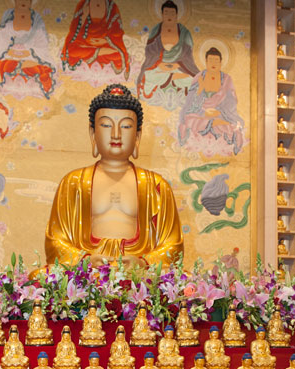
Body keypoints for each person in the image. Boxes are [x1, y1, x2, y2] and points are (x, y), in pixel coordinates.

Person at [44, 84, 183, 269]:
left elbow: (173, 245)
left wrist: (143, 262)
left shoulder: (156, 185)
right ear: (93, 134)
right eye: (106, 125)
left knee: (184, 279)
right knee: (39, 276)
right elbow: (55, 240)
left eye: (125, 126)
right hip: (88, 273)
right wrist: (84, 260)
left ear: (137, 136)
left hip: (137, 275)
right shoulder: (73, 183)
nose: (116, 134)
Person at [178, 46, 244, 155]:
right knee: (189, 119)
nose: (213, 63)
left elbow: (231, 102)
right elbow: (191, 101)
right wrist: (200, 90)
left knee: (233, 123)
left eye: (216, 60)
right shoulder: (199, 77)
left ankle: (215, 123)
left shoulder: (226, 79)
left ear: (221, 62)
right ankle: (215, 124)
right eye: (211, 60)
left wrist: (219, 111)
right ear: (206, 61)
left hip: (221, 112)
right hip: (201, 111)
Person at [136, 0, 199, 109]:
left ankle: (174, 79)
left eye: (172, 13)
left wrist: (177, 65)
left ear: (177, 15)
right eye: (166, 13)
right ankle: (171, 78)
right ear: (161, 14)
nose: (169, 16)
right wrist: (160, 64)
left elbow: (187, 56)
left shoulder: (184, 32)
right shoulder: (156, 30)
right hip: (159, 67)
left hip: (179, 68)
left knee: (193, 80)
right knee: (148, 76)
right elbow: (150, 52)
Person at [0, 0, 56, 99]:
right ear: (15, 2)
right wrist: (9, 50)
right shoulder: (8, 17)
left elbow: (42, 43)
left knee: (43, 69)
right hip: (9, 55)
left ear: (31, 2)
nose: (23, 2)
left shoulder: (36, 20)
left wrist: (29, 52)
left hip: (31, 56)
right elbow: (1, 39)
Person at [61, 0, 129, 77]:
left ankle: (97, 52)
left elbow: (117, 33)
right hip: (85, 42)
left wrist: (106, 41)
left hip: (105, 44)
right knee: (72, 50)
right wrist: (84, 15)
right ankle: (98, 52)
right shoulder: (83, 4)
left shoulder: (111, 6)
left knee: (118, 55)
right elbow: (74, 31)